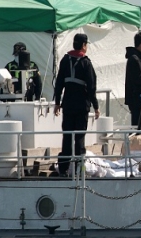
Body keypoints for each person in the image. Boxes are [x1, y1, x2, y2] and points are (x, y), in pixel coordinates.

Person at [54, 33, 100, 176]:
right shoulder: (86, 62)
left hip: (67, 105)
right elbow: (92, 87)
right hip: (81, 106)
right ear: (84, 45)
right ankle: (80, 169)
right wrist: (96, 106)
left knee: (67, 137)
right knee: (79, 138)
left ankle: (63, 169)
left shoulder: (65, 60)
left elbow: (59, 83)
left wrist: (57, 103)